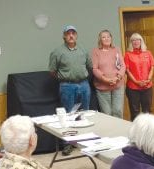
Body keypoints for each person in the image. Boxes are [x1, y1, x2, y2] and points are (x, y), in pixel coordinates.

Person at [49, 25, 92, 155]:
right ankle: (67, 144)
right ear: (64, 36)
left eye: (73, 33)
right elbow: (52, 71)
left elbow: (90, 67)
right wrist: (66, 79)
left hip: (84, 85)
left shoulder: (83, 50)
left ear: (76, 35)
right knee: (67, 115)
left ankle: (85, 141)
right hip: (67, 86)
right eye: (68, 33)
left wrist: (81, 79)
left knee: (84, 114)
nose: (71, 35)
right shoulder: (57, 52)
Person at [92, 30, 125, 118]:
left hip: (117, 85)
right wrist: (106, 80)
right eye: (103, 37)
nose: (106, 38)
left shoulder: (116, 49)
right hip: (103, 87)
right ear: (100, 40)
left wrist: (117, 78)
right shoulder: (96, 51)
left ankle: (118, 131)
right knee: (107, 113)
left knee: (117, 110)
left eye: (108, 36)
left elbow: (123, 66)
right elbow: (95, 69)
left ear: (111, 38)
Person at [124, 33, 154, 121]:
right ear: (131, 42)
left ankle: (148, 130)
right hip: (133, 88)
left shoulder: (148, 53)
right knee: (135, 111)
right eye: (133, 40)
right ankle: (136, 131)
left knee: (147, 111)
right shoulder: (127, 54)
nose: (135, 42)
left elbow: (152, 67)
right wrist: (136, 82)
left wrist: (148, 79)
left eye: (138, 39)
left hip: (147, 86)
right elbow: (127, 70)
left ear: (141, 41)